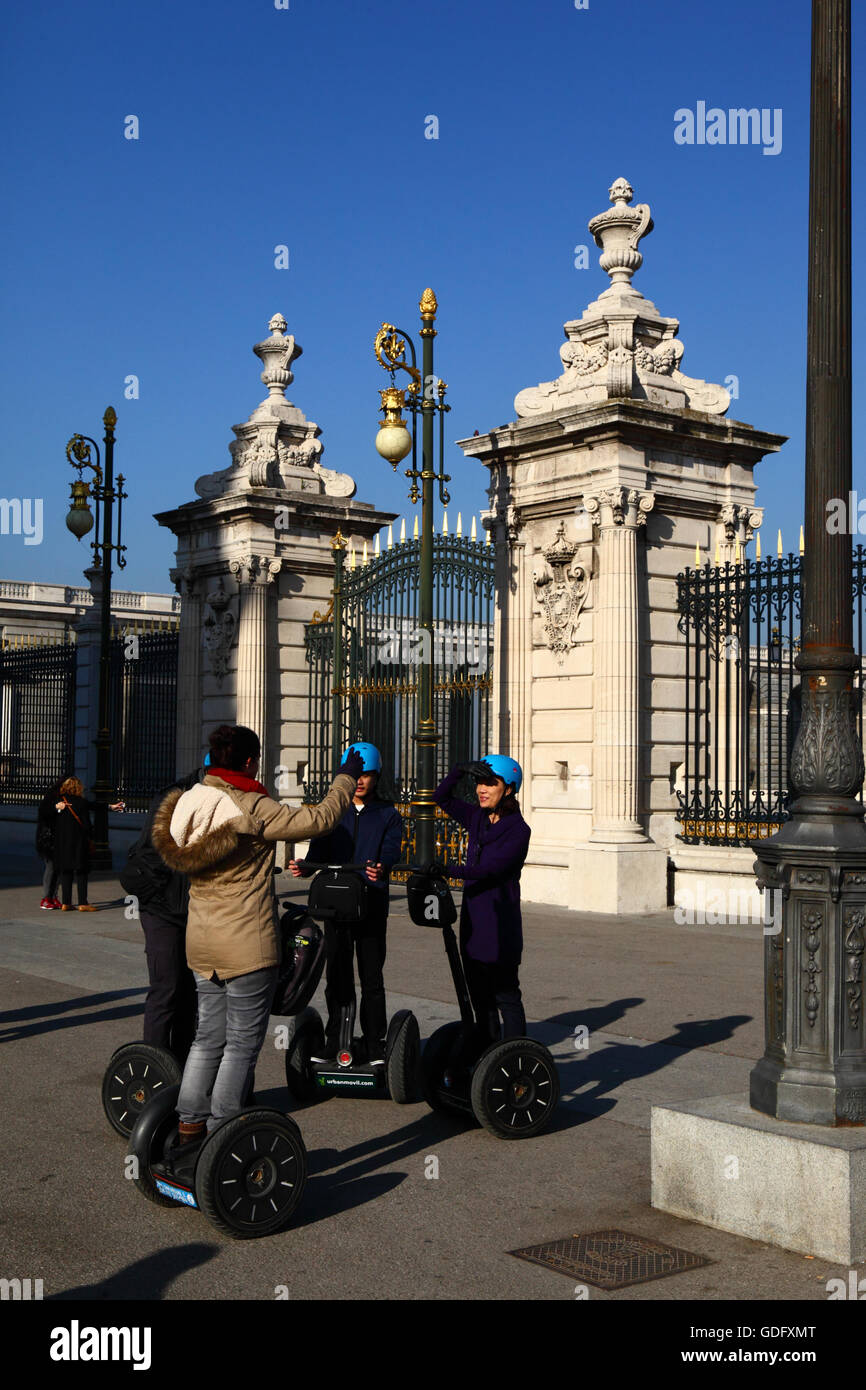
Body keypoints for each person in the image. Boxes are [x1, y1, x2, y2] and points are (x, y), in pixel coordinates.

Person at [151, 723, 362, 1144]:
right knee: (242, 1044)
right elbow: (318, 820)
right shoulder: (253, 807)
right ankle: (225, 1129)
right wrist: (345, 778)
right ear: (249, 761)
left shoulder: (191, 800)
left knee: (207, 1036)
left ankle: (190, 1122)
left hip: (202, 941)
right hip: (246, 942)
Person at [289, 742, 403, 1066]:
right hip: (336, 906)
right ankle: (335, 1037)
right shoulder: (333, 814)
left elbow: (392, 852)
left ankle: (373, 1042)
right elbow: (316, 856)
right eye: (356, 776)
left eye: (368, 775)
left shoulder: (388, 815)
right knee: (337, 974)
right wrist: (304, 867)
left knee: (371, 977)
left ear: (377, 777)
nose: (361, 781)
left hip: (370, 905)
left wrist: (382, 866)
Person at [430, 755, 530, 1046]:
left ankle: (514, 1058)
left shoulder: (519, 831)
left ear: (508, 789)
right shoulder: (478, 817)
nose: (481, 789)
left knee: (506, 997)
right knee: (480, 998)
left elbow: (490, 870)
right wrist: (457, 770)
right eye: (479, 782)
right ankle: (487, 1055)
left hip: (500, 924)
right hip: (474, 921)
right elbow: (441, 798)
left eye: (490, 783)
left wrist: (446, 870)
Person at [120, 767, 203, 1065]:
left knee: (188, 993)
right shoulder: (174, 798)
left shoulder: (215, 797)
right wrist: (157, 895)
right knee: (166, 988)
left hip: (189, 909)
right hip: (163, 909)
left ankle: (182, 1067)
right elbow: (154, 851)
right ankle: (153, 1069)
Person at [53, 777, 96, 911]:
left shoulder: (59, 803)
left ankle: (66, 902)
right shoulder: (81, 803)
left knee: (66, 872)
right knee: (81, 872)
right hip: (79, 843)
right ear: (78, 788)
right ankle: (83, 903)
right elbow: (86, 824)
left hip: (63, 843)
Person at [37, 778, 64, 909]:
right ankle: (46, 897)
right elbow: (44, 813)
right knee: (51, 868)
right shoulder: (50, 798)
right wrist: (56, 808)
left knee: (58, 869)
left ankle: (54, 897)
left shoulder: (65, 798)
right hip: (48, 840)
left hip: (59, 838)